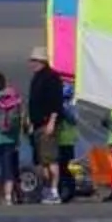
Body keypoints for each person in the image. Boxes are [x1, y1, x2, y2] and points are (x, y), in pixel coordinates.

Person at [24, 48, 69, 203]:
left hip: (47, 124)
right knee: (42, 160)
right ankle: (47, 189)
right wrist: (30, 121)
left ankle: (54, 191)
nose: (32, 63)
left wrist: (52, 122)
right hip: (37, 125)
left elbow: (56, 103)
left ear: (42, 61)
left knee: (51, 160)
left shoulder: (52, 77)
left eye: (34, 60)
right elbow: (33, 102)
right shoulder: (36, 77)